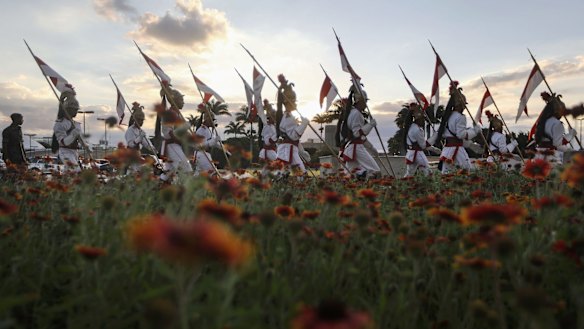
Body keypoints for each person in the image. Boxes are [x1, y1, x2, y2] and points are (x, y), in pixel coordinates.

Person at [434, 81, 482, 174]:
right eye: (464, 104)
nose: (465, 106)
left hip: (447, 150)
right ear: (460, 103)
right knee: (468, 171)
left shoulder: (448, 116)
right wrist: (475, 131)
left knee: (446, 173)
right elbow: (461, 134)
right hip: (457, 149)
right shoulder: (460, 117)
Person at [338, 85, 380, 179]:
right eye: (365, 101)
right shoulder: (357, 114)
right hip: (356, 147)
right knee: (375, 171)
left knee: (349, 175)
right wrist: (370, 125)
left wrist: (372, 148)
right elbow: (357, 133)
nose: (366, 104)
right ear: (360, 101)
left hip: (351, 147)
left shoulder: (352, 113)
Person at [276, 74, 309, 173]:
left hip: (289, 149)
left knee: (284, 174)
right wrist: (304, 124)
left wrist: (301, 151)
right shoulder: (289, 118)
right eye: (294, 101)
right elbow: (294, 136)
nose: (296, 103)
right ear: (288, 103)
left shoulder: (288, 116)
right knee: (301, 175)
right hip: (288, 150)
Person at [159, 87, 193, 181]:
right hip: (172, 145)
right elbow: (167, 133)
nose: (183, 102)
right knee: (186, 169)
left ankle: (158, 185)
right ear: (176, 101)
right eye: (181, 100)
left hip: (177, 145)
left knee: (169, 171)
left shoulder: (178, 115)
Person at [534, 92, 576, 164]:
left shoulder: (542, 122)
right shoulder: (557, 124)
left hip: (538, 155)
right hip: (551, 157)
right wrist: (570, 135)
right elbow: (557, 144)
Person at [403, 103, 440, 177]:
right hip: (418, 154)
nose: (424, 120)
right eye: (423, 118)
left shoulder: (412, 127)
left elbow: (420, 144)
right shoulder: (417, 129)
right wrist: (435, 136)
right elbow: (423, 145)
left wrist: (434, 149)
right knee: (428, 172)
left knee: (409, 174)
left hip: (411, 153)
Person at [53, 89, 82, 172]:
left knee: (68, 173)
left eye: (76, 109)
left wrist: (86, 144)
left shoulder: (76, 124)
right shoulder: (60, 124)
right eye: (74, 109)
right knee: (75, 171)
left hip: (74, 151)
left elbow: (80, 138)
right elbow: (62, 142)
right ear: (67, 109)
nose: (76, 111)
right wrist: (73, 134)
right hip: (65, 151)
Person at [125, 103, 159, 173]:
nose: (141, 122)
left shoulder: (141, 131)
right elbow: (131, 144)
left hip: (138, 154)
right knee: (133, 172)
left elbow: (146, 143)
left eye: (142, 120)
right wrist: (139, 137)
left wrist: (152, 148)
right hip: (130, 155)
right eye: (139, 120)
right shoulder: (130, 130)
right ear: (135, 120)